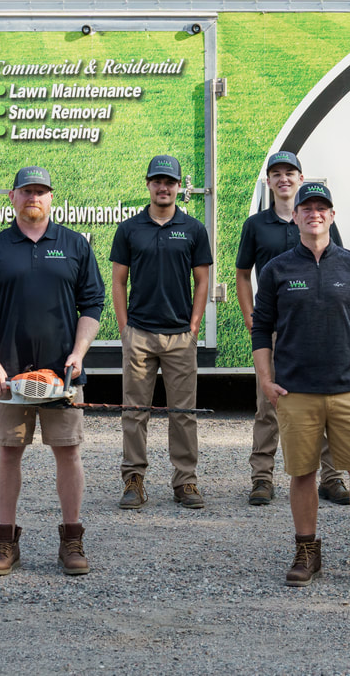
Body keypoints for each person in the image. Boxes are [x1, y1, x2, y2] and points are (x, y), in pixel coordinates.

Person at [251, 182, 350, 588]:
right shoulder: (276, 270)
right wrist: (266, 381)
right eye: (306, 208)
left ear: (332, 215)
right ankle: (307, 552)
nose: (314, 214)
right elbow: (261, 330)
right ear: (295, 216)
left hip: (348, 391)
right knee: (303, 475)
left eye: (321, 208)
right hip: (296, 393)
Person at [0, 166, 105, 576]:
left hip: (62, 376)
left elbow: (92, 303)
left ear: (51, 198)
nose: (34, 197)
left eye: (41, 191)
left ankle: (72, 540)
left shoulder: (74, 245)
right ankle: (6, 541)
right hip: (9, 377)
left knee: (68, 451)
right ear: (12, 197)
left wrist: (79, 353)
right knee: (8, 451)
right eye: (27, 191)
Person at [236, 150, 349, 507]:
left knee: (324, 401)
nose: (283, 179)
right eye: (277, 174)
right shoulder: (256, 225)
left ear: (301, 178)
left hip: (317, 329)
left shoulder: (318, 220)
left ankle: (331, 478)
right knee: (268, 404)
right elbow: (242, 274)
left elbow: (338, 266)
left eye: (290, 173)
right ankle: (262, 478)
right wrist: (250, 316)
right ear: (268, 181)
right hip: (274, 330)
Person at [112, 155, 213, 510]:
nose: (163, 187)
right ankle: (133, 480)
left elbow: (202, 280)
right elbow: (118, 281)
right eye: (157, 181)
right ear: (148, 184)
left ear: (178, 186)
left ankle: (185, 481)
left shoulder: (193, 229)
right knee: (134, 412)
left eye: (169, 182)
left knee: (183, 414)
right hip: (139, 334)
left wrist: (194, 325)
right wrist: (125, 328)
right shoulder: (129, 229)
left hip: (179, 336)